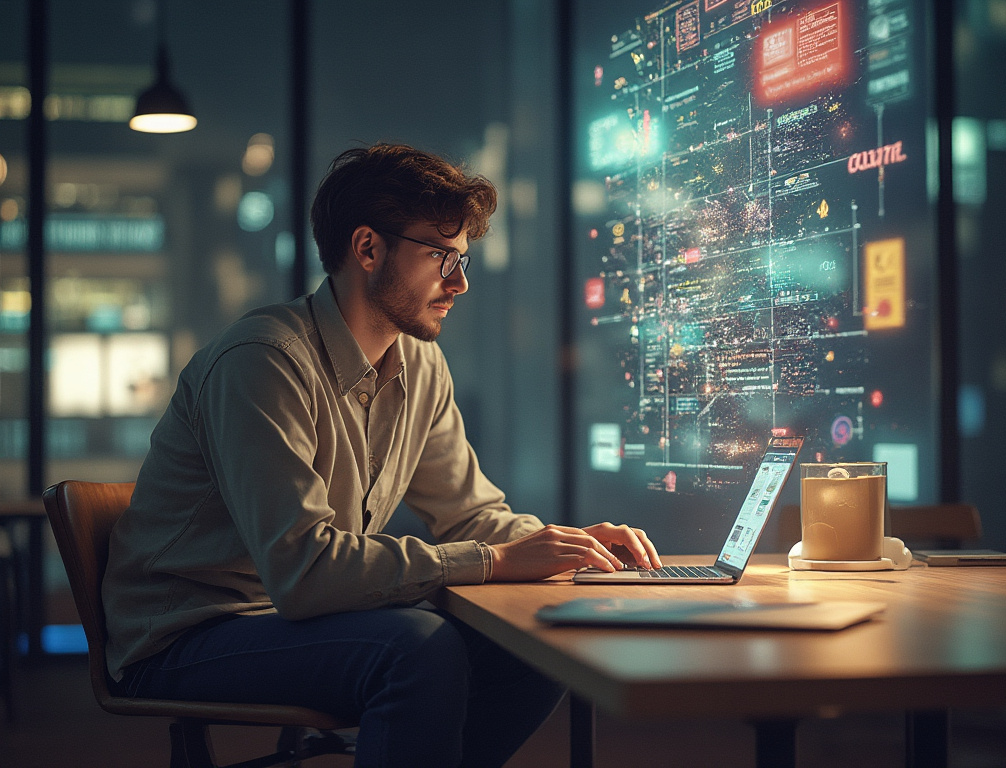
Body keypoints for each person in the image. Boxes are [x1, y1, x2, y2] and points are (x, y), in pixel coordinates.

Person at [101, 142, 662, 767]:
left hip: (291, 618)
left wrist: (565, 551)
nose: (461, 283)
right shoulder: (263, 361)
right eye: (442, 257)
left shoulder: (419, 363)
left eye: (465, 260)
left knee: (532, 642)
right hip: (185, 635)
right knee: (416, 647)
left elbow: (471, 513)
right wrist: (497, 559)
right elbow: (306, 572)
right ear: (367, 249)